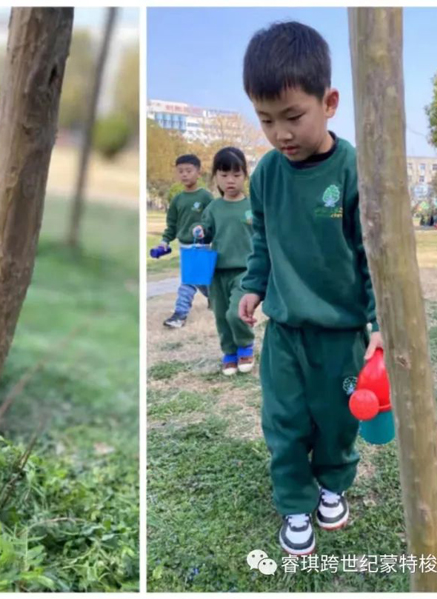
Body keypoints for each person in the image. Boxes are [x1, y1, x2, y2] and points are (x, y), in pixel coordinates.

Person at [237, 21, 384, 556]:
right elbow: (262, 240)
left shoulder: (352, 171)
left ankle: (332, 485)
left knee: (338, 420)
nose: (281, 134)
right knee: (284, 422)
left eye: (293, 116)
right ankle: (295, 503)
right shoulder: (266, 176)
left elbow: (372, 255)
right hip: (285, 334)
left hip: (341, 334)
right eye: (266, 120)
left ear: (330, 102)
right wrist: (253, 286)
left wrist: (378, 324)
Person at [191, 147, 255, 375]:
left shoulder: (252, 207)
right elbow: (205, 231)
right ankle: (229, 352)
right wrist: (199, 230)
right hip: (217, 271)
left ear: (244, 176)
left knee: (235, 313)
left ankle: (246, 345)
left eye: (236, 175)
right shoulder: (213, 208)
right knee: (220, 315)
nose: (230, 180)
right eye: (224, 175)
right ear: (215, 176)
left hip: (245, 271)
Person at [156, 154, 214, 328]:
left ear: (198, 172)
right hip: (184, 246)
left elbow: (213, 219)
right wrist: (164, 241)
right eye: (180, 171)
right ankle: (216, 298)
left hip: (202, 245)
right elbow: (172, 224)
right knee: (202, 281)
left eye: (189, 170)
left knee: (188, 281)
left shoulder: (205, 196)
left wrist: (206, 230)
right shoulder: (177, 199)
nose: (184, 175)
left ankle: (180, 315)